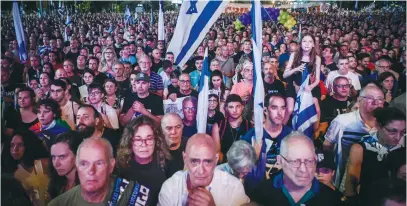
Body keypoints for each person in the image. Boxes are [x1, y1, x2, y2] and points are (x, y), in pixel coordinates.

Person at [48, 138, 150, 205]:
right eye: (84, 164)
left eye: (99, 163)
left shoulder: (133, 194)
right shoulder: (59, 204)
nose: (91, 171)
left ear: (111, 166)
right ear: (77, 165)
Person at [251, 131, 342, 205]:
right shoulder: (261, 193)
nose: (303, 169)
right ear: (280, 161)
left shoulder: (332, 199)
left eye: (309, 161)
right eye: (295, 161)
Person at [158, 133, 250, 206]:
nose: (201, 171)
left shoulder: (233, 188)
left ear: (216, 160)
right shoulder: (170, 188)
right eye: (194, 161)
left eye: (208, 162)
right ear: (185, 158)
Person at [323, 84, 385, 187]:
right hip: (345, 179)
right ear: (359, 100)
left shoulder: (387, 124)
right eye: (370, 98)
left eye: (380, 99)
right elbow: (327, 146)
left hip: (376, 182)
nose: (376, 102)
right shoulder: (342, 121)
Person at [345, 107, 406, 205]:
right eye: (392, 131)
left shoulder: (404, 146)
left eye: (403, 132)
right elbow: (351, 186)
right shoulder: (361, 148)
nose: (398, 137)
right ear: (378, 125)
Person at [116, 116, 170, 205]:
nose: (144, 144)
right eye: (138, 139)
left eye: (149, 138)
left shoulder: (166, 163)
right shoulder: (121, 167)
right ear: (130, 141)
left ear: (156, 140)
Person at [1, 130, 50, 206]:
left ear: (28, 145)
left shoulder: (43, 163)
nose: (15, 150)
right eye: (12, 145)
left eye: (20, 145)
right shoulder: (14, 174)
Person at [282, 34, 322, 125]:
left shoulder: (317, 58)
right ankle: (281, 131)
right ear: (301, 44)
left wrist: (311, 86)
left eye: (310, 41)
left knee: (317, 109)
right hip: (293, 84)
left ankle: (315, 133)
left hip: (309, 86)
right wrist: (295, 69)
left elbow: (317, 79)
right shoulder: (294, 54)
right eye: (304, 41)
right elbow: (285, 75)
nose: (307, 44)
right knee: (290, 109)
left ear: (313, 45)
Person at [212, 94, 252, 163]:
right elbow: (217, 152)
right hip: (224, 166)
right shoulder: (219, 126)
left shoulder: (250, 126)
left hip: (244, 165)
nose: (234, 110)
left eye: (238, 106)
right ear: (226, 108)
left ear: (242, 107)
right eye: (231, 107)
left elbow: (252, 152)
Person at [48, 131, 82, 199]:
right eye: (53, 157)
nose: (56, 164)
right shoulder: (55, 182)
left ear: (77, 155)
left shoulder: (89, 184)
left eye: (62, 157)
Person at [160, 113, 187, 177]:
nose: (174, 132)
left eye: (178, 127)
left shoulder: (190, 146)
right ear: (162, 130)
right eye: (169, 128)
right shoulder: (155, 148)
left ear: (182, 127)